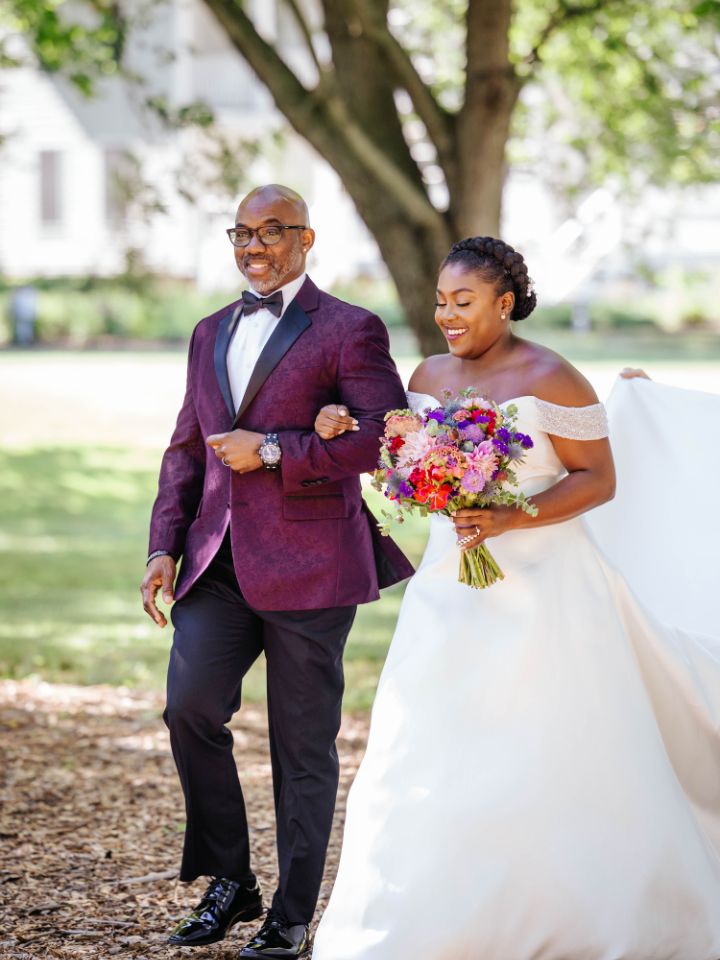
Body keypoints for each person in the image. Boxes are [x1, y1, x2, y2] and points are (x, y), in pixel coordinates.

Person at [310, 236, 720, 959]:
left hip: (550, 590)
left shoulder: (552, 376)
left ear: (505, 303)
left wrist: (507, 515)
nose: (446, 315)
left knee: (547, 742)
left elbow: (598, 479)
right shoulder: (428, 372)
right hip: (449, 587)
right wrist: (354, 438)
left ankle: (573, 915)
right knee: (427, 740)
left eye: (462, 302)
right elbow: (398, 464)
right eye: (440, 301)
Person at [140, 184, 413, 959]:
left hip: (313, 566)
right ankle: (232, 880)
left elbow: (380, 438)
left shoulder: (349, 329)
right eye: (241, 233)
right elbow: (187, 447)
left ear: (306, 238)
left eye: (271, 231)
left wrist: (270, 450)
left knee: (302, 746)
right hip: (214, 563)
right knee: (189, 709)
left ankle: (291, 916)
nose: (253, 246)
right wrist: (163, 546)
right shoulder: (208, 331)